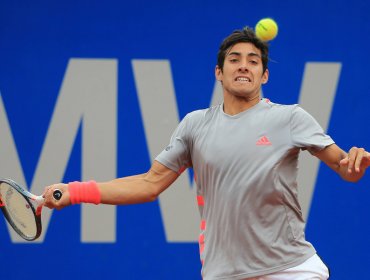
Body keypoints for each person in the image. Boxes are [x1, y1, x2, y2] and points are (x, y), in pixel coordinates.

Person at [44, 27, 370, 280]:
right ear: (219, 72)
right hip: (223, 271)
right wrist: (75, 192)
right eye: (235, 59)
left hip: (290, 267)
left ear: (264, 75)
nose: (244, 66)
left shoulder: (290, 118)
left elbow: (341, 163)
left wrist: (351, 168)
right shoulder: (195, 126)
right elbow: (149, 183)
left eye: (253, 61)